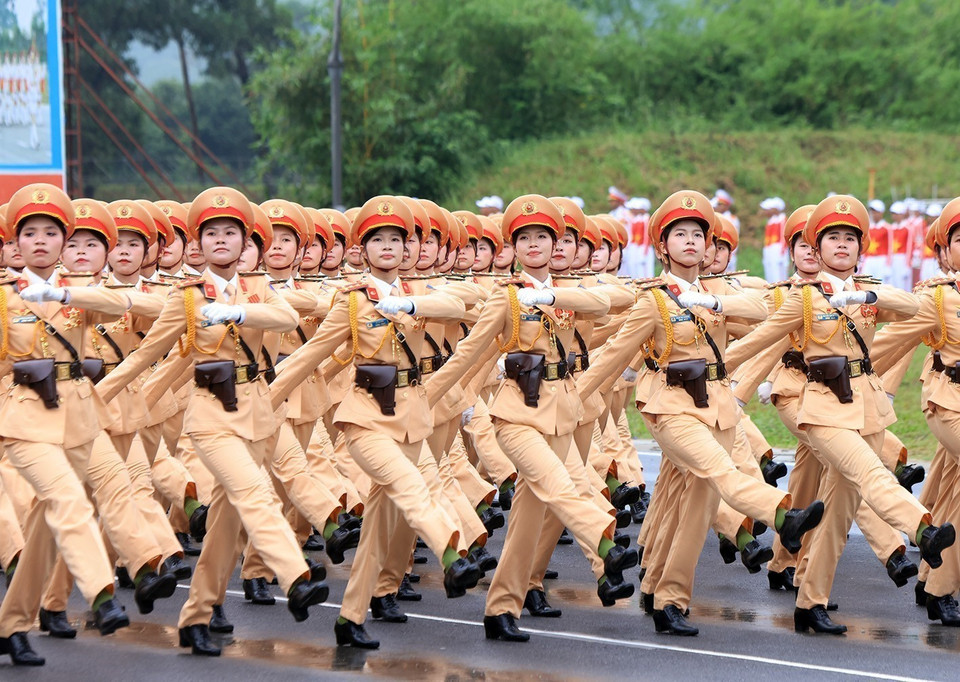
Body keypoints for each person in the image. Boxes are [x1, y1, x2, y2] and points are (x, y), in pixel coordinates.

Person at [95, 187, 330, 657]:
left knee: (226, 523)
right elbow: (146, 356)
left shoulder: (261, 289)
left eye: (231, 232)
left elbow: (285, 318)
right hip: (210, 416)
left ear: (245, 243)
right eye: (210, 233)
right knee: (254, 494)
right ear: (198, 244)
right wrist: (95, 397)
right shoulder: (185, 296)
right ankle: (294, 576)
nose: (220, 240)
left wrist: (237, 310)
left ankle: (198, 613)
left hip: (259, 414)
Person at [577, 190, 824, 636]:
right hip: (669, 405)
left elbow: (766, 314)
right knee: (720, 472)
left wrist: (714, 303)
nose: (691, 241)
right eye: (680, 234)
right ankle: (785, 514)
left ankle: (664, 596)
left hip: (717, 408)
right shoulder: (653, 300)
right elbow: (614, 354)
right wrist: (576, 397)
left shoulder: (719, 295)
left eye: (697, 234)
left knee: (693, 511)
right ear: (661, 246)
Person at [726, 194, 955, 634]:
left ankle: (809, 602)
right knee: (871, 473)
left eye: (851, 237)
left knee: (835, 515)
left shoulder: (868, 296)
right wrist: (725, 378)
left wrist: (863, 293)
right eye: (833, 237)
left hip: (866, 407)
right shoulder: (805, 299)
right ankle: (921, 530)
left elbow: (912, 308)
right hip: (822, 407)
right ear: (818, 246)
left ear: (860, 247)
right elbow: (759, 340)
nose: (842, 245)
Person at [425, 194, 641, 643]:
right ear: (515, 247)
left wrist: (554, 293)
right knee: (561, 485)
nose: (536, 244)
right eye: (525, 238)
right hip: (516, 415)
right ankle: (606, 546)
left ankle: (502, 606)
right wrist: (427, 397)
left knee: (530, 517)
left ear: (556, 241)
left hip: (563, 413)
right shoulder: (507, 296)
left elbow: (610, 301)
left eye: (544, 236)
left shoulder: (570, 294)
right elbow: (470, 352)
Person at [268, 195, 480, 650]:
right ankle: (451, 552)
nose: (387, 246)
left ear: (407, 250)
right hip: (365, 419)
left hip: (411, 419)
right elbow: (311, 354)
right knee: (412, 486)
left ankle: (350, 617)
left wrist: (409, 307)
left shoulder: (423, 297)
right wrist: (265, 398)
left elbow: (465, 305)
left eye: (395, 239)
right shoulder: (350, 302)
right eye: (376, 239)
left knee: (380, 529)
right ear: (363, 250)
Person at [0, 184, 137, 665]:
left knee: (43, 529)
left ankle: (11, 624)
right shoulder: (3, 297)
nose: (40, 241)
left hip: (76, 417)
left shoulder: (78, 291)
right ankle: (101, 593)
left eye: (51, 232)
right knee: (67, 501)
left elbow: (121, 307)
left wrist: (60, 290)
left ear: (64, 241)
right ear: (15, 243)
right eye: (29, 232)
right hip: (23, 417)